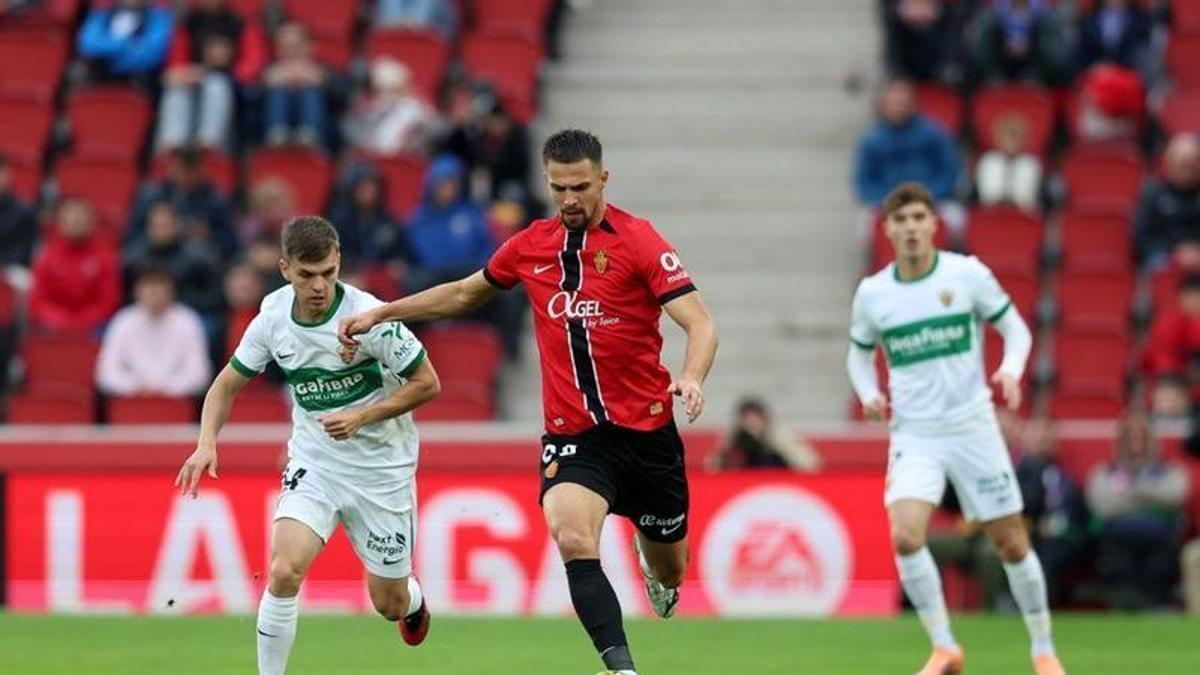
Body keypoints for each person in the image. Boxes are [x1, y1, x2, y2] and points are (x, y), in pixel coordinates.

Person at [338, 129, 718, 675]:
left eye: (580, 186)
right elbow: (466, 292)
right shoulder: (529, 246)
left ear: (603, 180)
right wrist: (383, 312)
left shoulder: (640, 241)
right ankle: (622, 669)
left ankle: (654, 563)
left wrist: (692, 376)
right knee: (570, 533)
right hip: (575, 437)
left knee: (673, 567)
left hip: (648, 435)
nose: (569, 199)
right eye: (559, 187)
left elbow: (700, 322)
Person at [174, 216, 440, 674]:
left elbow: (428, 382)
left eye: (328, 273)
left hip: (382, 470)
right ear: (284, 269)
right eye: (306, 274)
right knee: (283, 570)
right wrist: (205, 443)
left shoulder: (369, 318)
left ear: (338, 264)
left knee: (389, 603)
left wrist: (361, 416)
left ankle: (411, 599)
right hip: (316, 462)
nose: (319, 286)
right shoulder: (273, 317)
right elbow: (225, 385)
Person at [846, 182, 1064, 675]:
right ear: (887, 230)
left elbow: (1016, 329)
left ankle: (1043, 649)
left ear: (933, 225)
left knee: (1011, 542)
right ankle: (944, 646)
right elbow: (858, 357)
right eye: (900, 220)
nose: (911, 228)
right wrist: (868, 395)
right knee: (905, 536)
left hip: (972, 427)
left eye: (919, 218)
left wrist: (1010, 369)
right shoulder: (874, 293)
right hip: (915, 432)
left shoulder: (966, 275)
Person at [1086, 412, 1191, 609]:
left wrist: (1131, 494)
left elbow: (1175, 496)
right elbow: (1101, 505)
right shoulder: (1104, 471)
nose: (1136, 443)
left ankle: (1155, 601)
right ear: (1120, 442)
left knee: (1163, 553)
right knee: (1110, 550)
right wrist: (1148, 498)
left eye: (1141, 437)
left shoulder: (1169, 470)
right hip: (1117, 535)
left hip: (1159, 536)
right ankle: (1125, 601)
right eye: (1130, 438)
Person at [853, 79, 963, 235]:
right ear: (883, 106)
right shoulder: (872, 141)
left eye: (902, 102)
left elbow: (949, 172)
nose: (899, 108)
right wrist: (888, 202)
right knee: (866, 224)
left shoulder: (934, 134)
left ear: (913, 104)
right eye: (894, 103)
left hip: (933, 201)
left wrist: (927, 198)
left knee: (956, 220)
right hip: (888, 204)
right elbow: (864, 182)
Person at [156, 0, 267, 151]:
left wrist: (228, 72)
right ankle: (172, 145)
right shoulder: (189, 24)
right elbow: (176, 60)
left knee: (216, 84)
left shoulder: (240, 24)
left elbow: (254, 62)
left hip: (230, 83)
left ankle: (209, 144)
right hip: (192, 79)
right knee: (176, 89)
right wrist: (187, 73)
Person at [96, 265, 211, 398]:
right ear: (137, 290)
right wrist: (135, 386)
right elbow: (105, 373)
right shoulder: (123, 321)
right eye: (148, 285)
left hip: (176, 404)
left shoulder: (188, 321)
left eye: (160, 284)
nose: (154, 291)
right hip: (131, 403)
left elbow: (199, 374)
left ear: (172, 290)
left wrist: (165, 387)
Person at [28, 198, 121, 334]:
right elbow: (38, 301)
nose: (76, 222)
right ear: (60, 223)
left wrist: (82, 322)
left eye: (81, 218)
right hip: (54, 323)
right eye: (71, 219)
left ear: (92, 222)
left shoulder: (105, 257)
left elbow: (109, 301)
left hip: (94, 324)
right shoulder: (47, 256)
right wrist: (61, 320)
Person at [126, 146, 238, 258]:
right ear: (171, 168)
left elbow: (231, 245)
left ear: (201, 170)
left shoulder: (216, 201)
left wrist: (208, 236)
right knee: (134, 256)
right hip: (155, 256)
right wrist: (155, 233)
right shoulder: (152, 197)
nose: (185, 175)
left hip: (195, 262)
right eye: (181, 168)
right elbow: (131, 238)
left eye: (191, 169)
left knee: (199, 255)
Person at [345, 58, 439, 156]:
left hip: (401, 160)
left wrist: (408, 143)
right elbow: (354, 132)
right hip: (374, 160)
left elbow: (434, 131)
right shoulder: (372, 110)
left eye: (389, 90)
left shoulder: (417, 110)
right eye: (379, 90)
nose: (383, 95)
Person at [1134, 133, 1200, 269]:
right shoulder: (1153, 194)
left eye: (1192, 163)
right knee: (1158, 262)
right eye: (1182, 165)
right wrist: (1175, 252)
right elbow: (1143, 237)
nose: (1187, 171)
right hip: (1165, 256)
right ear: (1169, 163)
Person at [262, 22, 330, 149]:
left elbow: (345, 96)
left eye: (296, 46)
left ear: (308, 46)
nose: (291, 52)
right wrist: (265, 84)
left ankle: (309, 136)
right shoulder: (269, 71)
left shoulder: (323, 69)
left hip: (321, 135)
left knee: (310, 92)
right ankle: (277, 135)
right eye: (285, 46)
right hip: (271, 133)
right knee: (278, 92)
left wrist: (323, 80)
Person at [707, 396, 821, 471]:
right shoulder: (734, 446)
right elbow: (710, 470)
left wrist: (776, 440)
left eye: (756, 420)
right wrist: (730, 445)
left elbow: (811, 466)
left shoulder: (778, 439)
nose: (752, 426)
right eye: (747, 420)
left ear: (765, 420)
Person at [1142, 273, 1200, 417]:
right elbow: (1163, 369)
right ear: (1182, 297)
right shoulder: (1167, 325)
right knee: (1168, 396)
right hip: (1176, 390)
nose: (1196, 301)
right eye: (1193, 296)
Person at [76, 0, 173, 84]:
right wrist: (128, 44)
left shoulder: (158, 17)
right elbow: (88, 45)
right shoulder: (102, 14)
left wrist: (107, 54)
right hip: (99, 76)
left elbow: (150, 56)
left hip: (139, 80)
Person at [975, 114, 1042, 211]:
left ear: (1024, 140)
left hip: (1023, 213)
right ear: (998, 139)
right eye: (1006, 137)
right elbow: (987, 196)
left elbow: (1028, 197)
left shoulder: (1031, 164)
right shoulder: (987, 162)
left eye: (1015, 137)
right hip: (991, 211)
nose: (1011, 142)